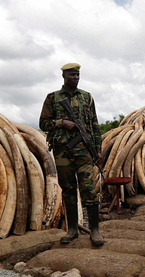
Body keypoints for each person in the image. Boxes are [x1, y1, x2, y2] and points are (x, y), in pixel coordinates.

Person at [39, 63, 105, 246]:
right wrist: (62, 122)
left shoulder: (87, 97)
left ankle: (95, 230)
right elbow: (43, 123)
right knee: (68, 189)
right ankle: (72, 230)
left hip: (84, 151)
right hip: (63, 151)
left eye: (77, 75)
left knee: (89, 189)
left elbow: (94, 124)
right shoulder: (53, 98)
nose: (75, 77)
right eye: (71, 75)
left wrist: (98, 149)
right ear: (64, 76)